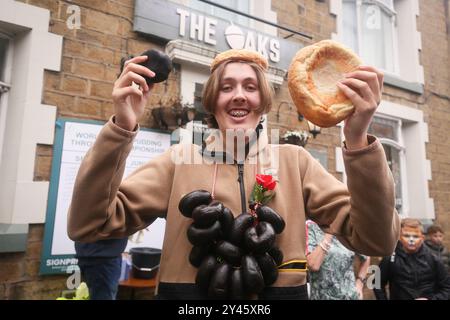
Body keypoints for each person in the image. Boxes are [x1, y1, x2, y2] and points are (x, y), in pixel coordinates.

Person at [68, 48, 400, 299]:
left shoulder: (295, 162)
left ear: (263, 101)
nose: (238, 94)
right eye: (226, 87)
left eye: (250, 86)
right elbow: (90, 224)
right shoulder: (179, 160)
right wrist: (122, 128)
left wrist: (357, 140)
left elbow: (375, 239)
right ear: (212, 101)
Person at [373, 218, 450, 300]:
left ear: (422, 238)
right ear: (399, 237)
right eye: (406, 236)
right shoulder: (390, 258)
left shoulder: (433, 259)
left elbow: (447, 288)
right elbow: (377, 283)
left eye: (415, 236)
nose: (411, 240)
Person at [306, 220, 370, 300]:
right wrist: (329, 232)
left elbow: (366, 258)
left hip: (350, 296)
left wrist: (360, 283)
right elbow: (313, 265)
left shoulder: (348, 230)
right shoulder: (311, 227)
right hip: (322, 297)